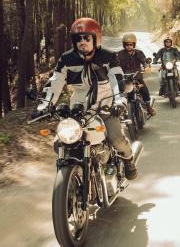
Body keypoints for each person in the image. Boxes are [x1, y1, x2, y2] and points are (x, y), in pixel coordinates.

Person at [31, 18, 138, 179]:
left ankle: (128, 160)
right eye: (78, 39)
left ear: (96, 38)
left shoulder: (108, 56)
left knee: (117, 139)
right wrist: (44, 105)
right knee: (60, 143)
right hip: (78, 109)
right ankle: (72, 178)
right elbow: (56, 82)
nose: (82, 42)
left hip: (106, 106)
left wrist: (119, 101)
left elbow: (117, 79)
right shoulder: (67, 59)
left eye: (86, 38)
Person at [118, 33, 156, 116]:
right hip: (126, 79)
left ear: (134, 45)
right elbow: (114, 63)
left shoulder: (139, 53)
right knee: (118, 93)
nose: (129, 46)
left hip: (137, 77)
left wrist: (146, 67)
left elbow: (144, 61)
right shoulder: (120, 54)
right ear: (124, 45)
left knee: (144, 90)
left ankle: (148, 106)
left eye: (131, 44)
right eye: (127, 44)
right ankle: (121, 110)